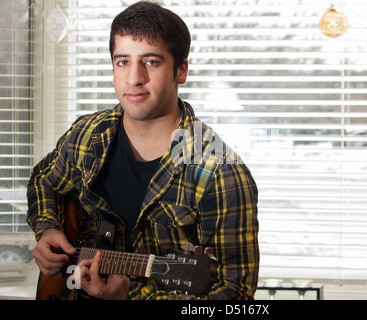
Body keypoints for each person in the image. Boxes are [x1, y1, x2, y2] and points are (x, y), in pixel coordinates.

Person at [27, 1, 259, 300]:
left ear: (181, 70)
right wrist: (47, 230)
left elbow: (235, 296)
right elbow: (43, 180)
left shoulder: (221, 173)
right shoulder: (86, 135)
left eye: (151, 61)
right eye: (123, 61)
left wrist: (130, 298)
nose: (134, 78)